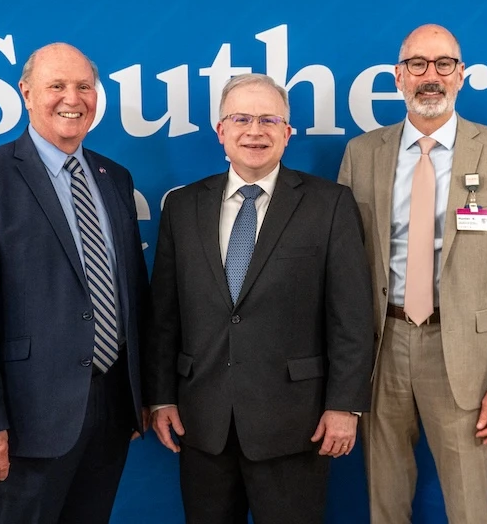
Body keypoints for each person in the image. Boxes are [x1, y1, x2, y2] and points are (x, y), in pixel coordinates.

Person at [145, 73, 373, 524]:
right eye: (242, 118)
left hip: (296, 425)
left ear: (288, 133)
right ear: (221, 131)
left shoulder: (330, 204)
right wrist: (161, 397)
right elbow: (164, 317)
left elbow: (351, 316)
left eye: (269, 119)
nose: (255, 130)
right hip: (203, 423)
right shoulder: (182, 207)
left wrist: (344, 405)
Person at [0, 42, 149, 523]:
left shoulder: (113, 177)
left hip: (110, 411)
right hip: (24, 422)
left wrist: (137, 395)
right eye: (56, 85)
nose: (71, 97)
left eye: (84, 86)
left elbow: (133, 291)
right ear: (26, 94)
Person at [338, 24, 487, 524]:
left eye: (444, 64)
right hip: (382, 346)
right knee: (385, 500)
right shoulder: (363, 154)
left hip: (464, 354)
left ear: (461, 75)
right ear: (399, 78)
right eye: (418, 65)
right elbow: (340, 270)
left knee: (470, 506)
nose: (432, 76)